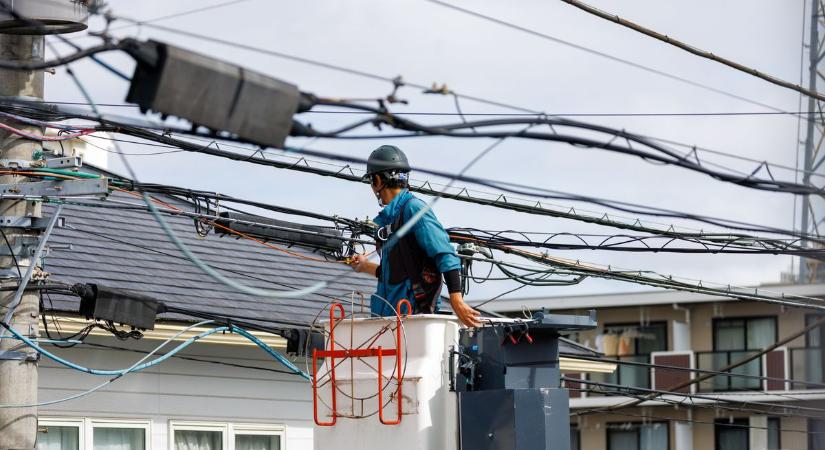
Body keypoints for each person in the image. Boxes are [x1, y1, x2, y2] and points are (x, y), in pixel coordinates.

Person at [349, 145, 481, 328]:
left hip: (413, 321)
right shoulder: (391, 219)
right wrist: (364, 266)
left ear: (378, 180)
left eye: (371, 181)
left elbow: (445, 254)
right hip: (389, 321)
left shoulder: (413, 209)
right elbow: (396, 275)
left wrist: (456, 300)